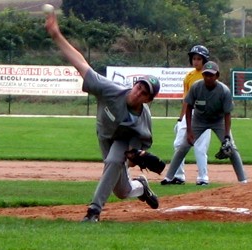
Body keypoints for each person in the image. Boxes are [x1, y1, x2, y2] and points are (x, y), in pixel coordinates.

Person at [44, 12, 160, 222]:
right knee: (122, 191)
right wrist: (56, 35)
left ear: (148, 100)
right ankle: (141, 188)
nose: (138, 92)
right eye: (139, 87)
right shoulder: (111, 90)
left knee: (115, 159)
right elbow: (81, 65)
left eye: (145, 92)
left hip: (124, 141)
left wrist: (134, 156)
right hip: (104, 136)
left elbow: (141, 147)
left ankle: (93, 211)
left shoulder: (144, 119)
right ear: (134, 85)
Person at [162, 61, 247, 184]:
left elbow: (227, 114)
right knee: (183, 146)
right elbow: (189, 107)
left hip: (219, 121)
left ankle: (243, 180)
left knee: (231, 148)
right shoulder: (196, 87)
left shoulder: (224, 91)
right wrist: (189, 130)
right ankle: (168, 177)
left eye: (211, 75)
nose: (208, 77)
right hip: (199, 120)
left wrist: (227, 135)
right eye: (206, 74)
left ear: (217, 76)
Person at [162, 45, 212, 186]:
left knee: (200, 147)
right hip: (190, 113)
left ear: (204, 60)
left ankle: (203, 178)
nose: (196, 61)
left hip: (204, 114)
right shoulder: (189, 77)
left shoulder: (209, 75)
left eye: (199, 59)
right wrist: (181, 118)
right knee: (178, 143)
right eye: (194, 58)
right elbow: (186, 100)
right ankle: (179, 176)